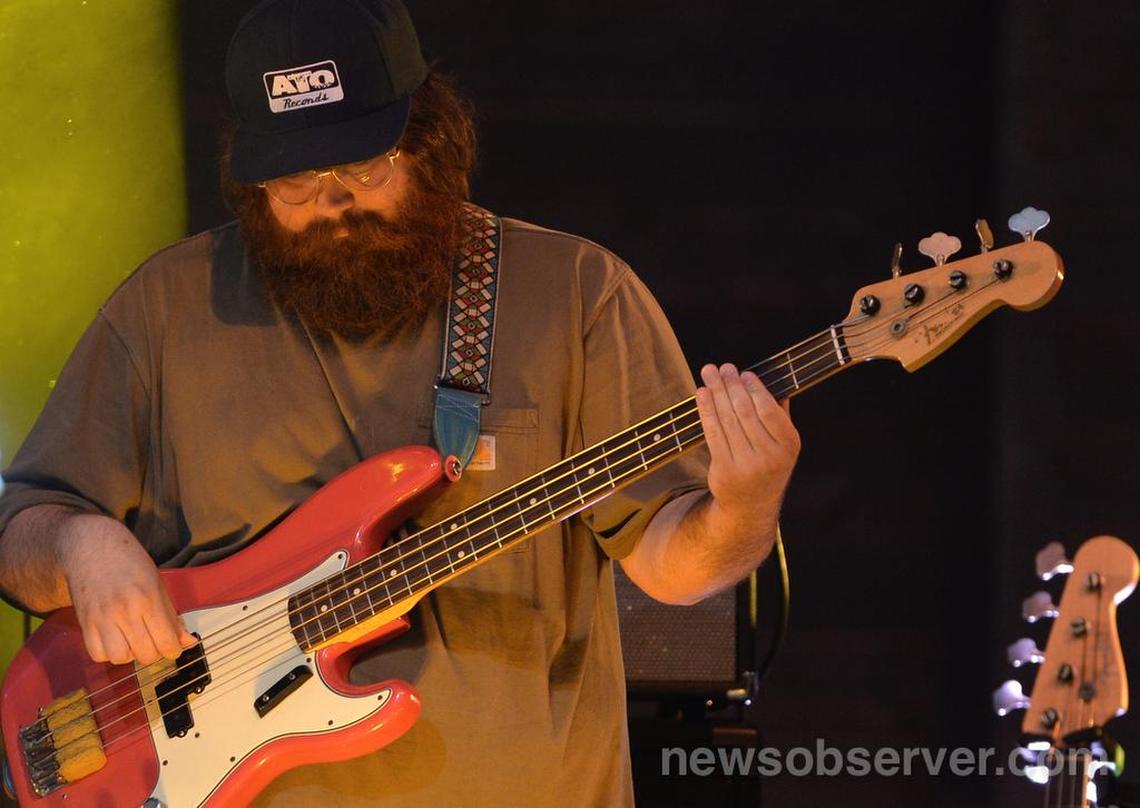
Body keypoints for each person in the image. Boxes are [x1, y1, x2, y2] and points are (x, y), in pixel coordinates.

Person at [0, 0, 799, 804]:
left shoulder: (576, 296)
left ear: (429, 141)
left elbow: (671, 566)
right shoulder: (166, 309)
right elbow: (19, 539)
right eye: (295, 180)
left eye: (363, 167)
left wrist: (746, 505)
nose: (332, 203)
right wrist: (79, 545)